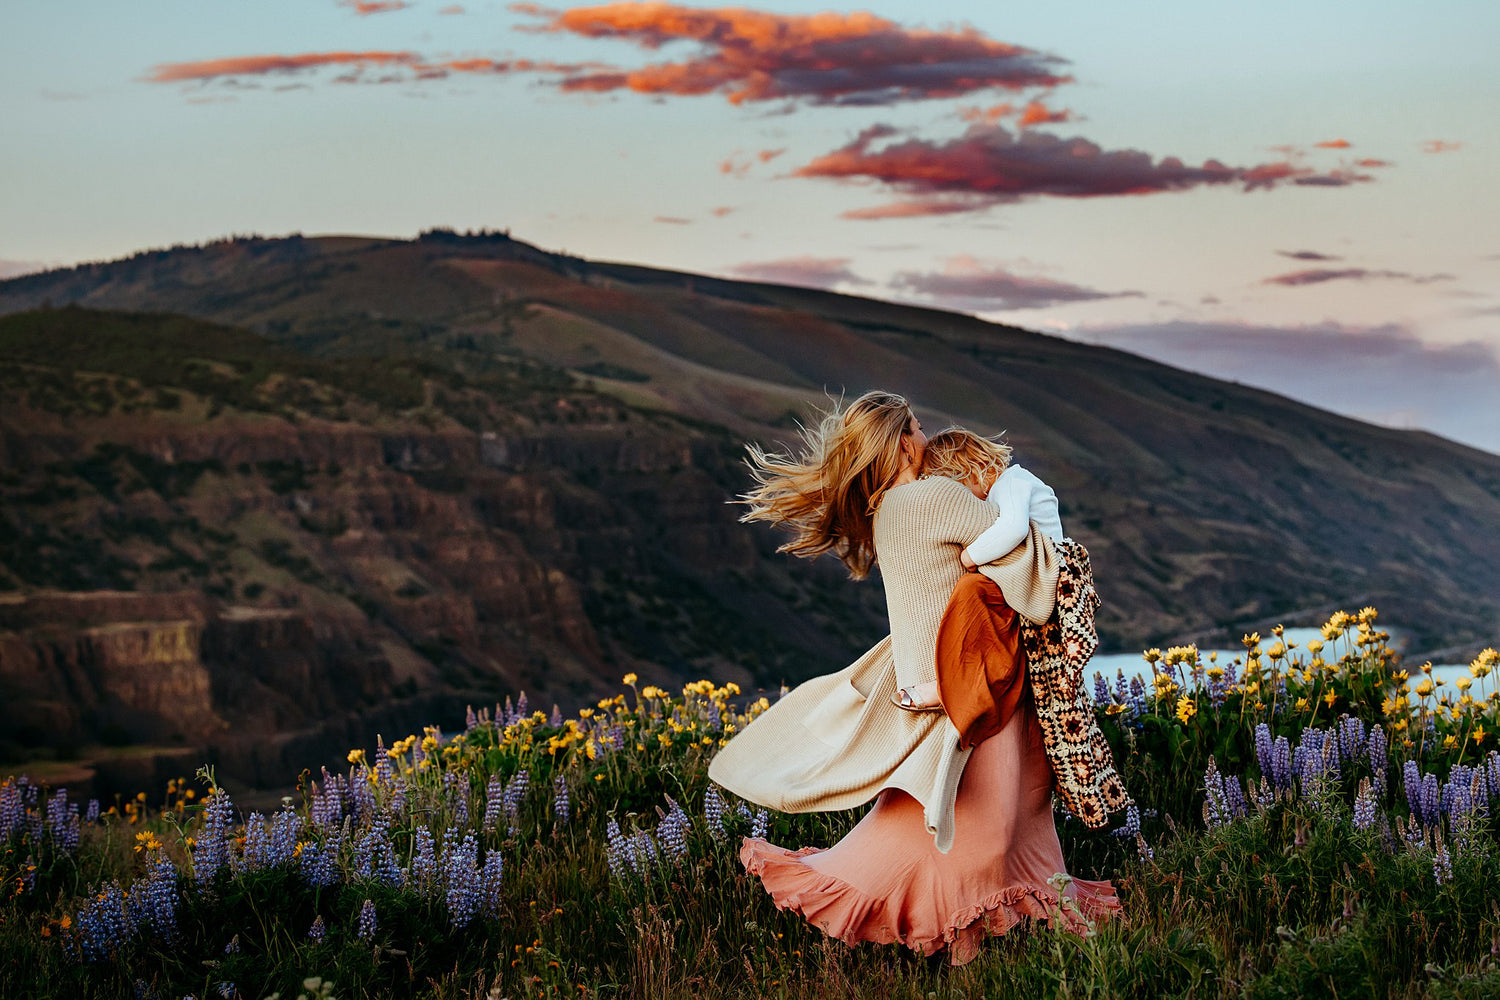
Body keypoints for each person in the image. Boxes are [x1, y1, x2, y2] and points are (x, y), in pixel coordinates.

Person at [707, 391, 1119, 966]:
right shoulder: (932, 496)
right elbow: (1027, 569)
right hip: (972, 679)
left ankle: (984, 912)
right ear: (902, 441)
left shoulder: (888, 509)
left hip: (931, 678)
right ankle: (945, 918)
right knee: (990, 820)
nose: (926, 438)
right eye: (919, 429)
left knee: (956, 812)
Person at [893, 427, 1066, 711]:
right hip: (1036, 575)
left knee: (971, 593)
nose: (966, 500)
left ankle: (949, 685)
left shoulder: (1012, 482)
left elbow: (1014, 528)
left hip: (1048, 576)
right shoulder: (1005, 488)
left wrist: (970, 557)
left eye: (958, 488)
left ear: (970, 470)